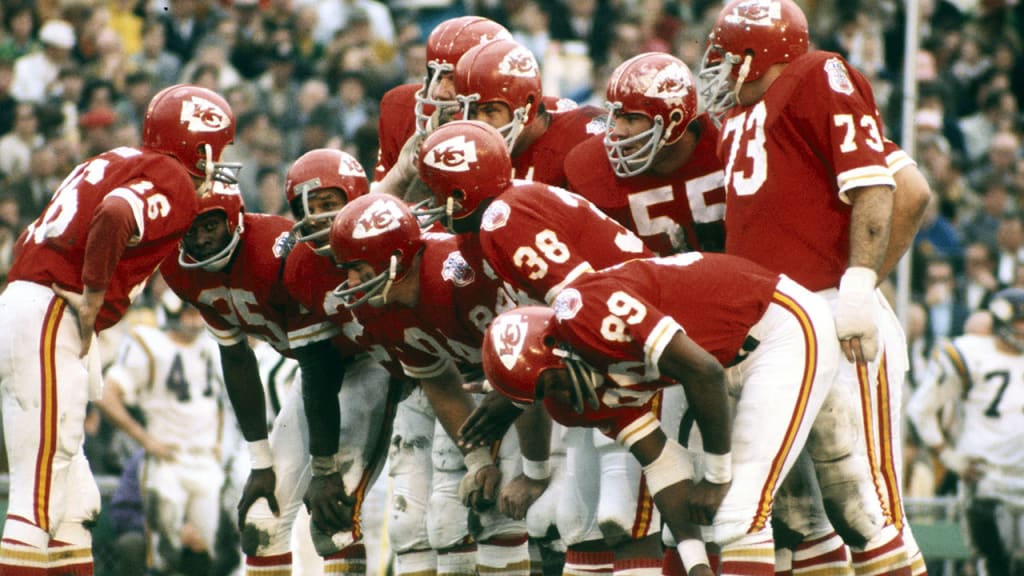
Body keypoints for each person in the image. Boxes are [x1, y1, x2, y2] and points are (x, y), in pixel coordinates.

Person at [698, 0, 929, 573]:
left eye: (727, 56)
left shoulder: (817, 74)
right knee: (806, 517)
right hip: (778, 330)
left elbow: (905, 189)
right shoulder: (740, 119)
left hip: (829, 311)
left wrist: (858, 286)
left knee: (869, 510)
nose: (719, 69)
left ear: (756, 55)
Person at [467, 248, 844, 574]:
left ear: (553, 345)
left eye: (551, 383)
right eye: (542, 395)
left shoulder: (588, 311)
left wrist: (715, 476)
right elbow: (662, 462)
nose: (560, 395)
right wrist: (696, 561)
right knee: (686, 532)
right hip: (720, 359)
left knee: (739, 509)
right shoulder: (571, 403)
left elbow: (704, 373)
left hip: (777, 327)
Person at [417, 120, 684, 576]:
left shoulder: (507, 220)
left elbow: (588, 307)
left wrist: (514, 395)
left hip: (643, 347)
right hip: (608, 356)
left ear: (463, 192)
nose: (431, 203)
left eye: (439, 189)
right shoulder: (494, 219)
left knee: (630, 517)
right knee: (580, 523)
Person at [0, 83, 234, 575]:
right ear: (201, 145)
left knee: (73, 501)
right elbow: (116, 213)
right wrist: (92, 295)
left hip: (36, 306)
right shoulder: (170, 175)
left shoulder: (117, 158)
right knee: (39, 493)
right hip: (52, 311)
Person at [160, 183, 393, 576]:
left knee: (331, 520)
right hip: (315, 374)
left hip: (367, 361)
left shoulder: (277, 253)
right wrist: (260, 462)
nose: (199, 240)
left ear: (233, 218)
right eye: (191, 229)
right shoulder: (179, 270)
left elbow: (319, 363)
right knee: (261, 523)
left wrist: (324, 470)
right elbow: (236, 358)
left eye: (210, 226)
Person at [328, 192, 534, 576]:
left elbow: (530, 350)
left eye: (357, 267)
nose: (350, 281)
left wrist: (535, 466)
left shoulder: (458, 274)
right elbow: (440, 383)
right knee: (443, 520)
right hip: (480, 385)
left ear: (394, 256)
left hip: (540, 378)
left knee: (532, 516)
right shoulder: (378, 304)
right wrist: (476, 461)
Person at [95, 289, 226, 575]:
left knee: (207, 553)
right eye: (188, 313)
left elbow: (219, 401)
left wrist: (218, 441)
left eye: (197, 313)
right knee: (164, 554)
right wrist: (145, 439)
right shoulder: (149, 343)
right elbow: (106, 394)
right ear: (171, 313)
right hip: (168, 458)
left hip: (206, 461)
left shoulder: (211, 346)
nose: (194, 321)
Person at [907, 288, 1024, 576]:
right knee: (994, 565)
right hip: (986, 476)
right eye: (1020, 322)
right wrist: (948, 456)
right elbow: (920, 409)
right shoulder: (972, 353)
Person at [564, 51, 726, 256]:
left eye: (631, 118)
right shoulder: (594, 167)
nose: (618, 131)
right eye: (617, 117)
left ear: (674, 120)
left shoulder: (726, 144)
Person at [373, 15, 513, 198]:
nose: (440, 92)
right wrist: (400, 175)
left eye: (454, 78)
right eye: (437, 76)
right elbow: (371, 212)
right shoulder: (402, 107)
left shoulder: (545, 129)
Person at [454, 38, 605, 188]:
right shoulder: (460, 140)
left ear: (528, 106)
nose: (479, 122)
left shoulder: (584, 139)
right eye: (472, 111)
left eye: (490, 110)